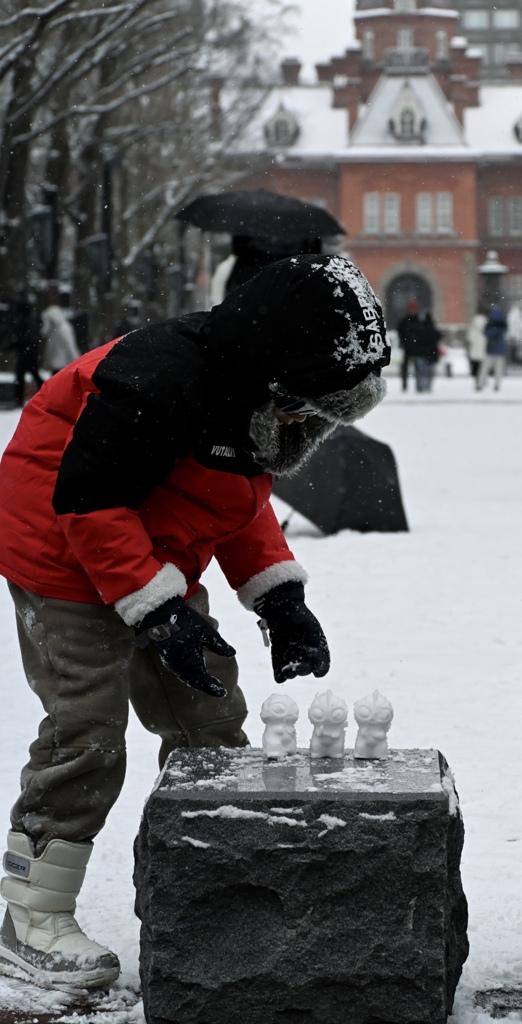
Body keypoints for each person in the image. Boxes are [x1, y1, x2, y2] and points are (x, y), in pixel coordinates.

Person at [0, 254, 390, 991]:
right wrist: (158, 612)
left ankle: (207, 876)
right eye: (307, 404)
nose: (307, 422)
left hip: (150, 545)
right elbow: (88, 505)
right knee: (85, 731)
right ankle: (31, 915)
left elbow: (233, 498)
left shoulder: (255, 394)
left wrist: (278, 596)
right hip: (61, 546)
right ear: (277, 372)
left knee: (209, 706)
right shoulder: (155, 383)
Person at [40, 288, 81, 375]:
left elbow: (69, 345)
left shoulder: (62, 328)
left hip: (62, 364)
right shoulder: (55, 330)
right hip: (57, 364)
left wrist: (77, 360)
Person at [476, 305, 508, 392]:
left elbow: (486, 333)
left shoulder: (490, 324)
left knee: (485, 368)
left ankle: (480, 384)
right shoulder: (503, 324)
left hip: (490, 349)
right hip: (500, 350)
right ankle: (497, 384)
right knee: (498, 369)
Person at [466, 308, 487, 381]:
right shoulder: (486, 328)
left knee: (475, 366)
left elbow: (469, 339)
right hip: (483, 351)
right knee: (482, 366)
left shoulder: (472, 328)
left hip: (474, 351)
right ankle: (482, 379)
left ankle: (476, 378)